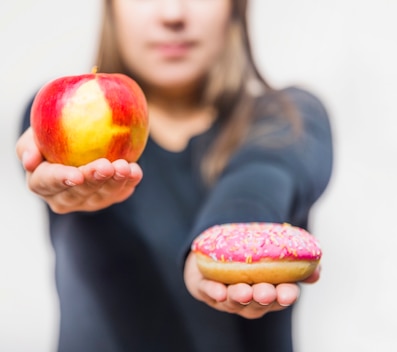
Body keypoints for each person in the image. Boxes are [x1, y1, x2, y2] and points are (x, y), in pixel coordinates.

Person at [14, 0, 333, 351]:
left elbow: (261, 178)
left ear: (236, 7)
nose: (172, 15)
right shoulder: (55, 117)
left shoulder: (290, 117)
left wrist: (224, 245)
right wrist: (62, 163)